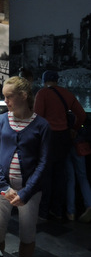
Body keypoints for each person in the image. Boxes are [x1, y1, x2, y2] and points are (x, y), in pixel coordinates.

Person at [0, 76, 51, 257]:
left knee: (27, 234)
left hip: (29, 193)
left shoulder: (41, 125)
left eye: (8, 96)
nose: (5, 101)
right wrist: (4, 187)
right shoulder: (0, 122)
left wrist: (25, 192)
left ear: (23, 96)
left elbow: (44, 162)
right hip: (1, 189)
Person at [34, 70, 86, 220]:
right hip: (64, 137)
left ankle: (43, 211)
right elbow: (81, 115)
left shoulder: (42, 93)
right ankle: (58, 210)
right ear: (57, 80)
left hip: (48, 138)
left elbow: (38, 118)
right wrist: (74, 130)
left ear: (44, 80)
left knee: (46, 174)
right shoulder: (67, 94)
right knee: (60, 174)